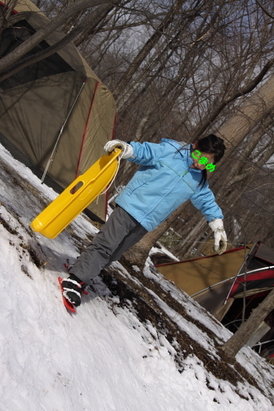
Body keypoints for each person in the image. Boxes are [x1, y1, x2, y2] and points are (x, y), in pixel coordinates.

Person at [62, 134, 227, 307]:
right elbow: (145, 151)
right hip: (130, 206)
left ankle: (84, 270)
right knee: (106, 245)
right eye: (199, 157)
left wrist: (217, 225)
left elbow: (207, 202)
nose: (200, 164)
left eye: (207, 164)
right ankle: (76, 279)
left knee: (115, 252)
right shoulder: (171, 152)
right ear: (195, 145)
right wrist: (127, 148)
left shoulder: (198, 181)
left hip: (147, 222)